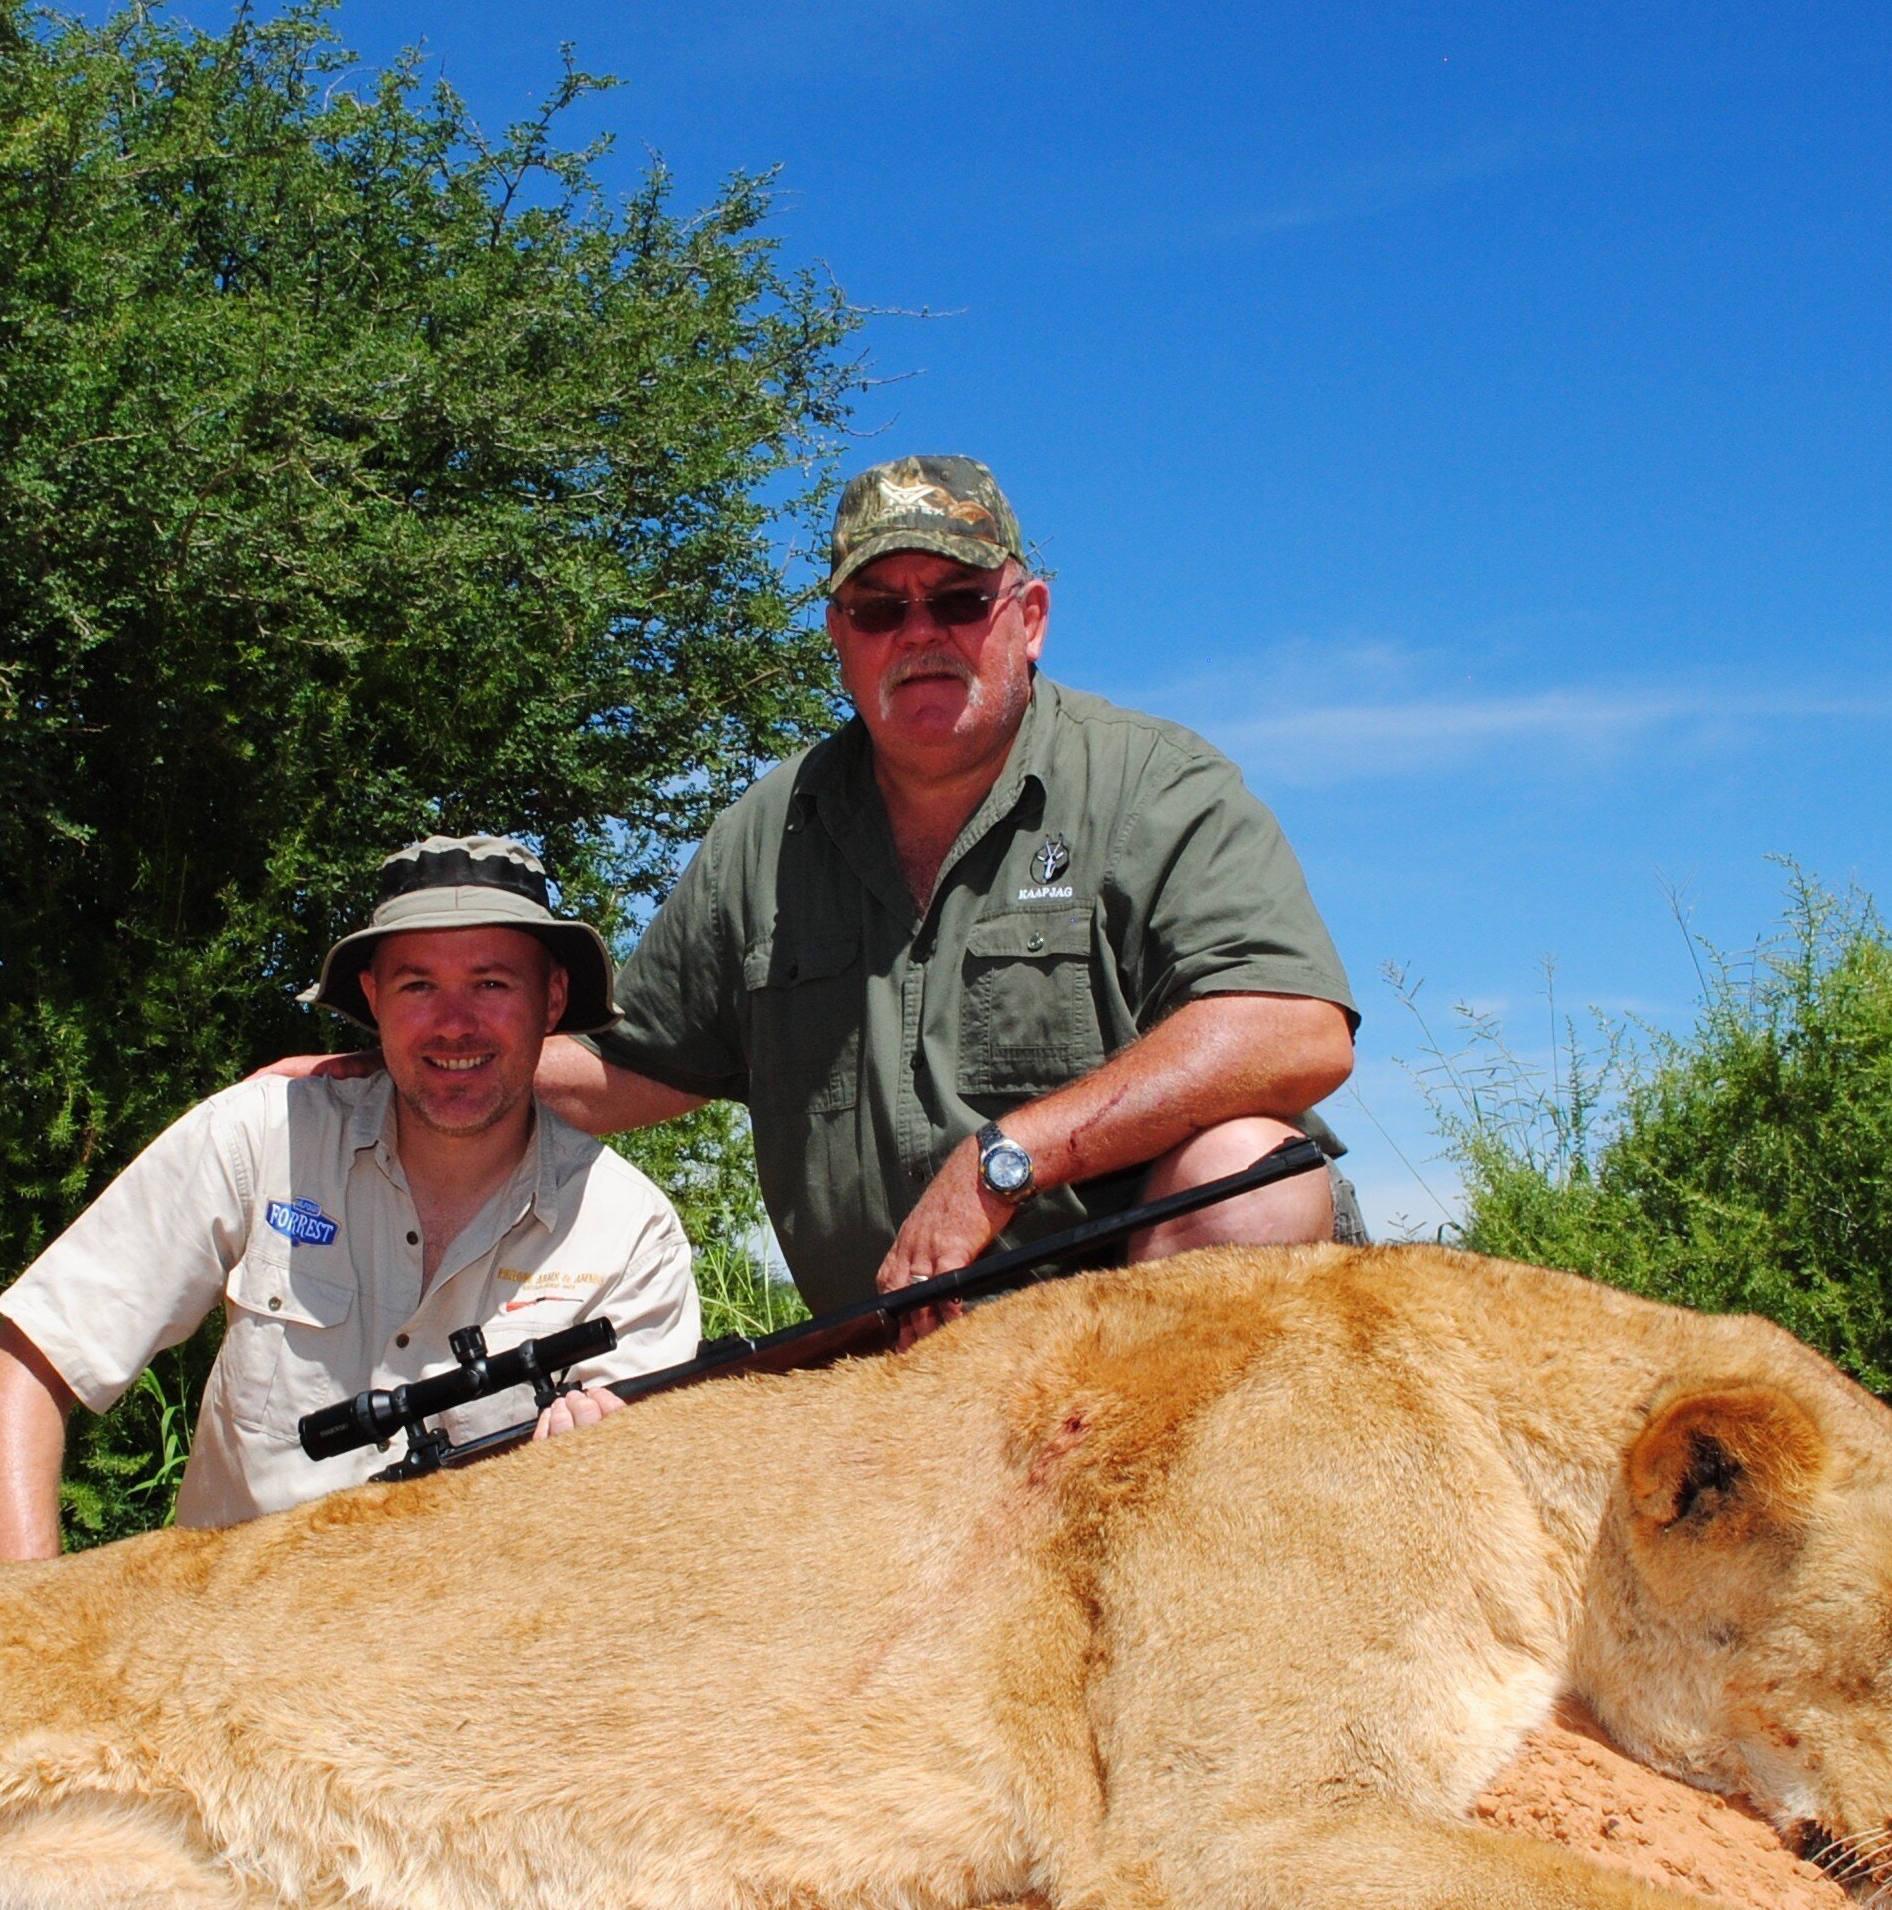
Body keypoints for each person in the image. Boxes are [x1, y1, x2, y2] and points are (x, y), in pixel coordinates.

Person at [533, 454, 1357, 1320]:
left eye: (960, 600)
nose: (920, 632)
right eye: (880, 609)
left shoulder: (1153, 784)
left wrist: (1006, 1159)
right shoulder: (765, 834)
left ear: (1029, 618)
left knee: (1251, 1177)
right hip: (895, 1359)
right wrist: (425, 1053)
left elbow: (1297, 1029)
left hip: (1127, 1340)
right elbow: (629, 1067)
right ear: (838, 635)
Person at [0, 835, 701, 1560]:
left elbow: (638, 1540)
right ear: (373, 999)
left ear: (554, 997)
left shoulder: (631, 1233)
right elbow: (28, 1368)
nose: (454, 1024)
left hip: (481, 1661)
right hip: (228, 1648)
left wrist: (606, 1487)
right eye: (418, 985)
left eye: (492, 983)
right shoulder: (258, 1136)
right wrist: (24, 1626)